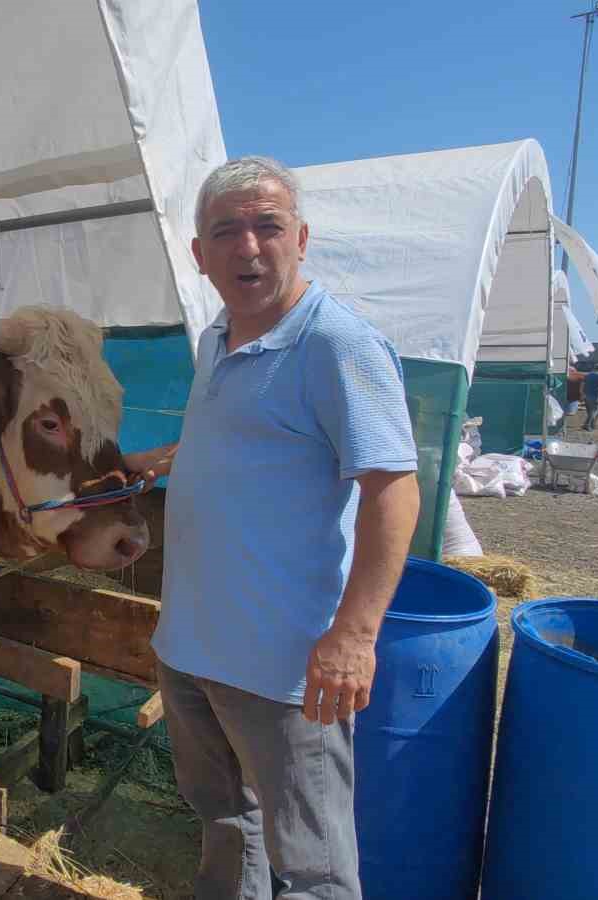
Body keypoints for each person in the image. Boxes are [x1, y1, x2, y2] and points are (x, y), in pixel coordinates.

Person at [123, 157, 419, 899]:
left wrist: (354, 635)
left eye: (267, 227)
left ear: (302, 238)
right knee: (224, 821)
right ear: (198, 254)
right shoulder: (216, 338)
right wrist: (160, 461)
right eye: (225, 232)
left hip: (283, 668)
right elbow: (249, 440)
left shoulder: (336, 344)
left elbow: (394, 491)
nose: (247, 248)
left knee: (314, 867)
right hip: (190, 648)